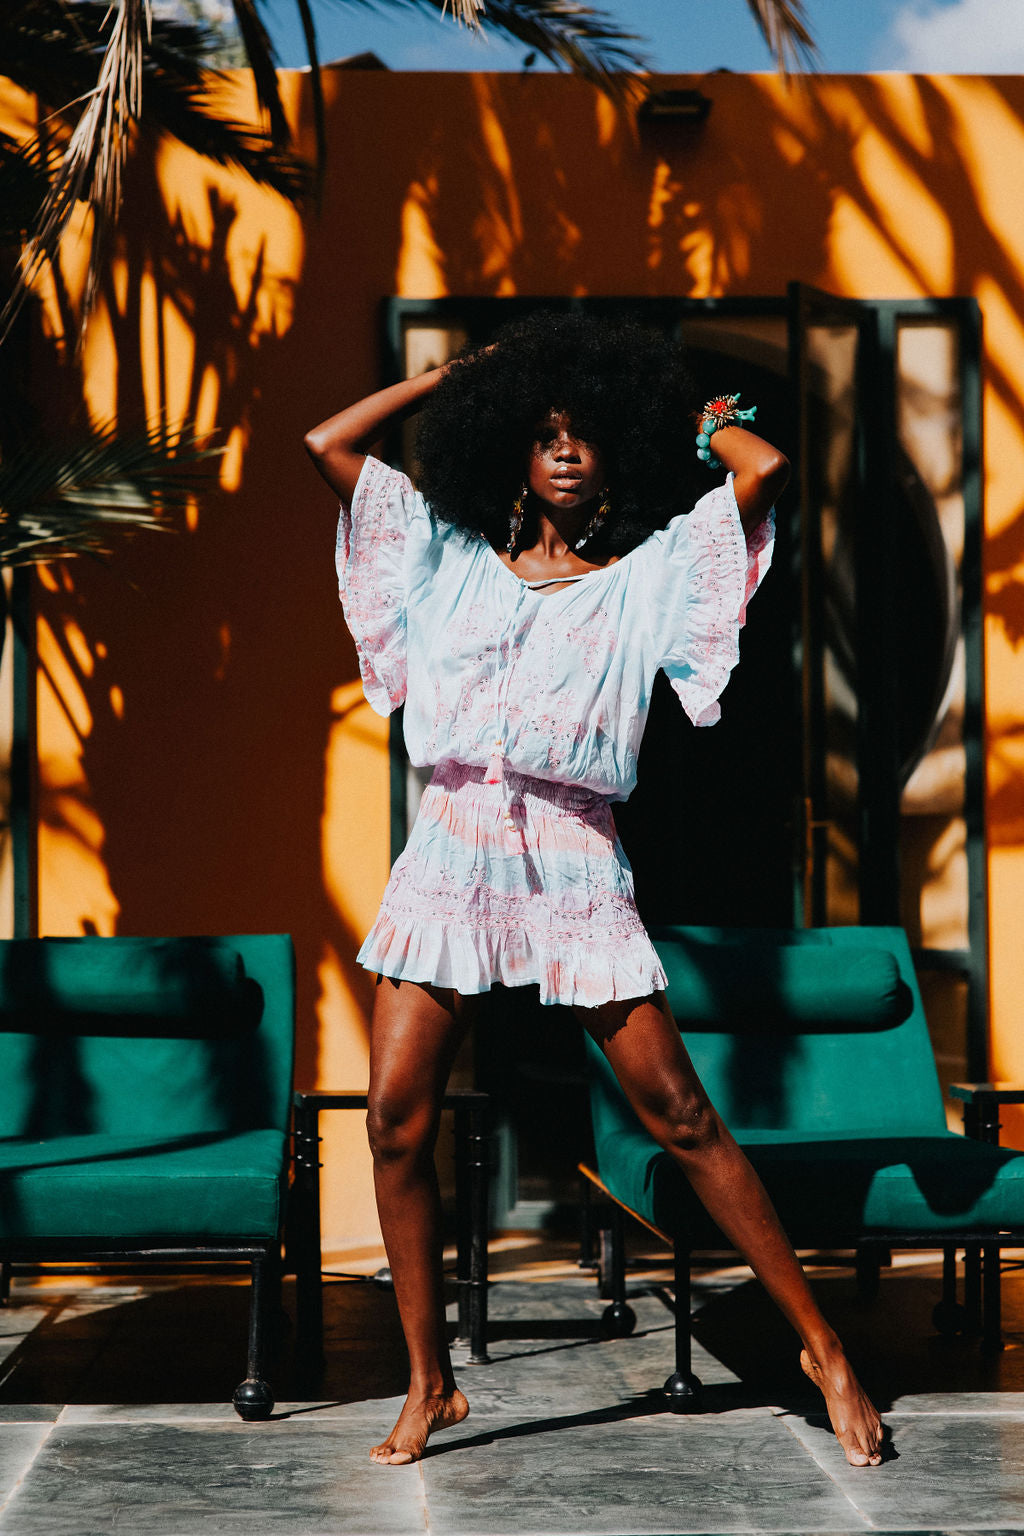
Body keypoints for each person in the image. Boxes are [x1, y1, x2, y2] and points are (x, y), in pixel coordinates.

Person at [304, 312, 884, 1470]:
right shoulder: (442, 561)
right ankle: (430, 1382)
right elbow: (328, 443)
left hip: (571, 853)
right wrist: (455, 374)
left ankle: (824, 1350)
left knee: (681, 1114)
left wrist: (695, 417)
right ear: (510, 453)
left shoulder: (646, 583)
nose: (565, 450)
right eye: (544, 433)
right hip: (452, 848)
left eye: (584, 435)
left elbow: (763, 469)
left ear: (612, 457)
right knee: (393, 1120)